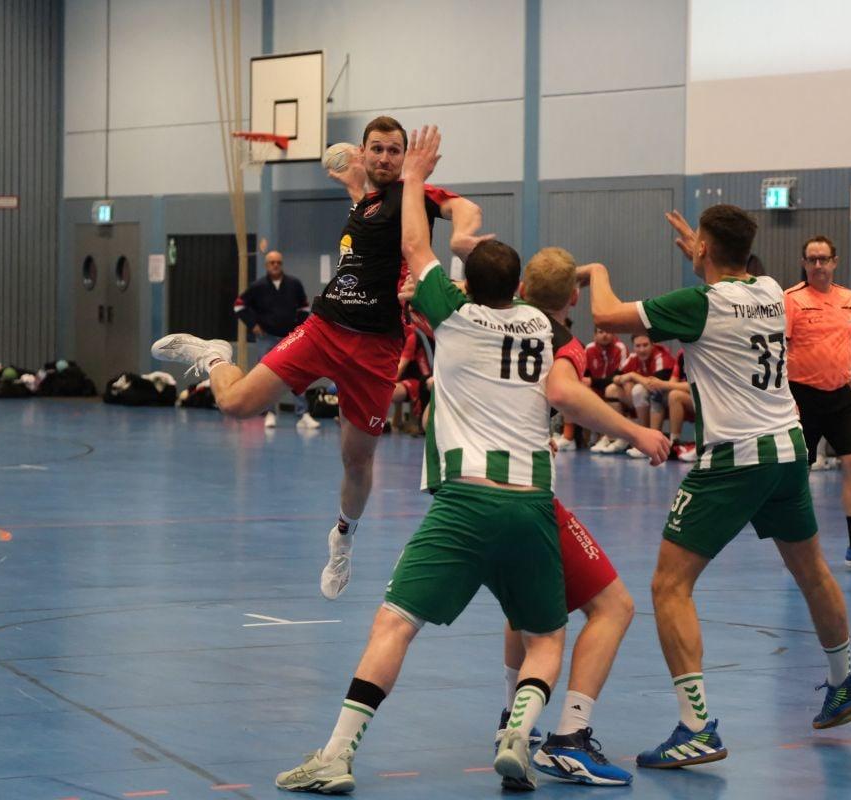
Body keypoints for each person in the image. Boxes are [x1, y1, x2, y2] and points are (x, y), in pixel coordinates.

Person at [272, 126, 668, 794]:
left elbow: (413, 245)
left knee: (395, 624)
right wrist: (635, 433)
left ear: (466, 283)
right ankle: (519, 731)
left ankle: (337, 754)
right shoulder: (545, 328)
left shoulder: (451, 315)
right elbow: (563, 384)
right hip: (532, 506)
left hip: (463, 503)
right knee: (546, 637)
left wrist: (413, 179)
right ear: (522, 288)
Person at [150, 115, 488, 600]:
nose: (386, 158)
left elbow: (465, 207)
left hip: (376, 348)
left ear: (406, 156)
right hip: (324, 329)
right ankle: (214, 356)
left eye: (395, 150)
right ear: (364, 152)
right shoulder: (366, 201)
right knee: (235, 404)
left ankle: (343, 540)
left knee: (357, 460)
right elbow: (371, 230)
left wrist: (461, 239)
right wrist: (355, 185)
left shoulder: (415, 192)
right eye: (377, 149)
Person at [587, 205, 851, 770]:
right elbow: (730, 278)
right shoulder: (769, 290)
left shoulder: (700, 304)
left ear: (703, 251)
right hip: (787, 449)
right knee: (813, 571)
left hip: (735, 459)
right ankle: (843, 681)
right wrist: (702, 253)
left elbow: (604, 313)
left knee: (669, 586)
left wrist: (593, 269)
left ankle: (696, 728)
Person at [489, 245, 668, 788]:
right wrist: (635, 432)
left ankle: (512, 721)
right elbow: (565, 393)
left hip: (470, 484)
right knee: (615, 606)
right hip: (527, 494)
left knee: (523, 605)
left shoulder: (488, 320)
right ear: (573, 298)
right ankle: (569, 737)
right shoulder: (562, 341)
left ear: (522, 290)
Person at [785, 236, 851, 569]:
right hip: (802, 397)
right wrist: (785, 399)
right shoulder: (791, 300)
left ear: (835, 261)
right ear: (804, 263)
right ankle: (797, 548)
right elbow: (779, 350)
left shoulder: (849, 299)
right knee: (798, 473)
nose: (818, 265)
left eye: (824, 259)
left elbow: (849, 342)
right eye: (812, 259)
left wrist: (846, 374)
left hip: (841, 396)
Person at [232, 250, 316, 430]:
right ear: (266, 265)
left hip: (290, 339)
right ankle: (269, 413)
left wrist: (298, 328)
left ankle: (303, 414)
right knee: (266, 378)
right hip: (266, 338)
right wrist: (253, 324)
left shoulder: (294, 284)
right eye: (272, 262)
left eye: (278, 262)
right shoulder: (258, 286)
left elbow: (304, 307)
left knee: (297, 374)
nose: (275, 265)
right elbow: (239, 306)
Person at [610, 334, 674, 457]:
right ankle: (619, 437)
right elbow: (614, 377)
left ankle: (648, 442)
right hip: (645, 400)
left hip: (665, 398)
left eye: (645, 345)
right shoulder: (633, 357)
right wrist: (622, 380)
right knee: (611, 390)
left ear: (653, 344)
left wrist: (632, 376)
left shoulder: (661, 356)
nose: (641, 349)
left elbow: (654, 385)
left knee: (639, 390)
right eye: (638, 346)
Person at [585, 327, 630, 452]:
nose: (605, 335)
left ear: (614, 334)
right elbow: (585, 376)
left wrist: (593, 381)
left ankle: (612, 437)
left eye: (608, 331)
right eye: (601, 332)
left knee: (611, 389)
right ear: (595, 335)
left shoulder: (620, 348)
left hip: (617, 389)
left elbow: (617, 377)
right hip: (597, 390)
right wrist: (590, 383)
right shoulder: (589, 349)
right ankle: (571, 437)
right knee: (578, 389)